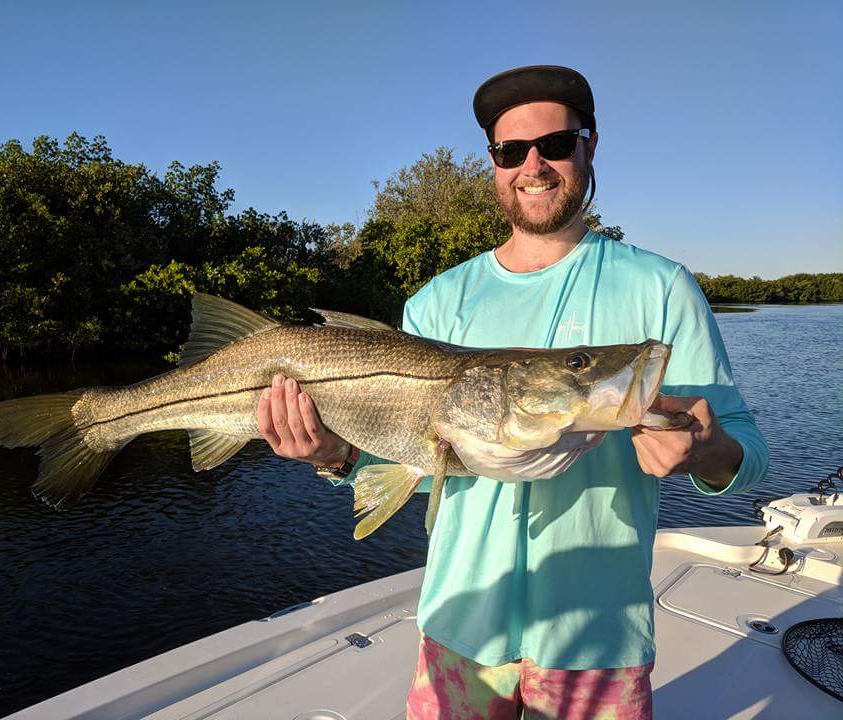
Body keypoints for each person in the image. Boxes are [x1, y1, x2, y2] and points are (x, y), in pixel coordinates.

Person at [256, 65, 768, 720]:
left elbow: (747, 451)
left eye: (555, 144)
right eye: (511, 151)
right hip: (458, 629)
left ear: (589, 146)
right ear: (494, 163)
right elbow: (422, 467)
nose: (534, 165)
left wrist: (706, 450)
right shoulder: (439, 301)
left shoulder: (661, 288)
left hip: (598, 640)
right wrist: (336, 457)